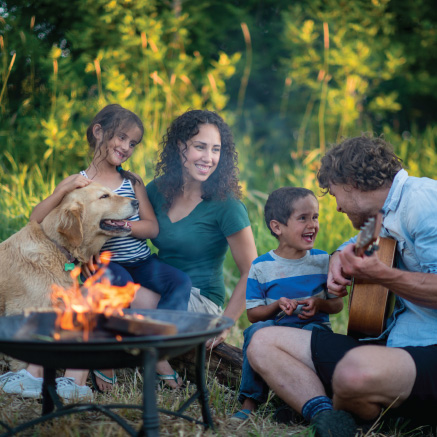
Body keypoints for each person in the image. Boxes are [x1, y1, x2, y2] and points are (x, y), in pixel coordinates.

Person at [246, 135, 437, 437]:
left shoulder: (423, 204)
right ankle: (328, 416)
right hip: (390, 345)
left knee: (353, 369)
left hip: (428, 349)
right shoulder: (381, 216)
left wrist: (383, 276)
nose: (335, 208)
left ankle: (366, 406)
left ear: (351, 183)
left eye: (334, 195)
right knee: (262, 341)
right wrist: (336, 258)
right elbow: (359, 241)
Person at [0, 104, 192, 398]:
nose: (127, 147)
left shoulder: (132, 181)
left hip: (140, 258)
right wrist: (60, 192)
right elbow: (38, 218)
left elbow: (151, 228)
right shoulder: (78, 184)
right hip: (106, 263)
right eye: (122, 138)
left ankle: (162, 346)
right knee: (108, 285)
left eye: (133, 143)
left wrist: (123, 225)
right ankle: (87, 366)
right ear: (99, 132)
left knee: (180, 281)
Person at [146, 109, 258, 349]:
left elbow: (252, 271)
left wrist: (226, 323)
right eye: (200, 147)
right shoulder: (157, 190)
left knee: (126, 296)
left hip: (200, 302)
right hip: (160, 284)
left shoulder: (227, 205)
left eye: (215, 149)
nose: (209, 157)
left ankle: (159, 365)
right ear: (180, 147)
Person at [231, 187, 343, 421]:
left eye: (315, 217)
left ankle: (306, 399)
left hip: (313, 331)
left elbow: (337, 305)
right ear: (277, 227)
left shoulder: (324, 261)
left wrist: (318, 304)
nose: (312, 224)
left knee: (315, 332)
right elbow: (253, 314)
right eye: (303, 218)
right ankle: (250, 402)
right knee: (255, 331)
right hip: (275, 334)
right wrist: (276, 306)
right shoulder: (261, 267)